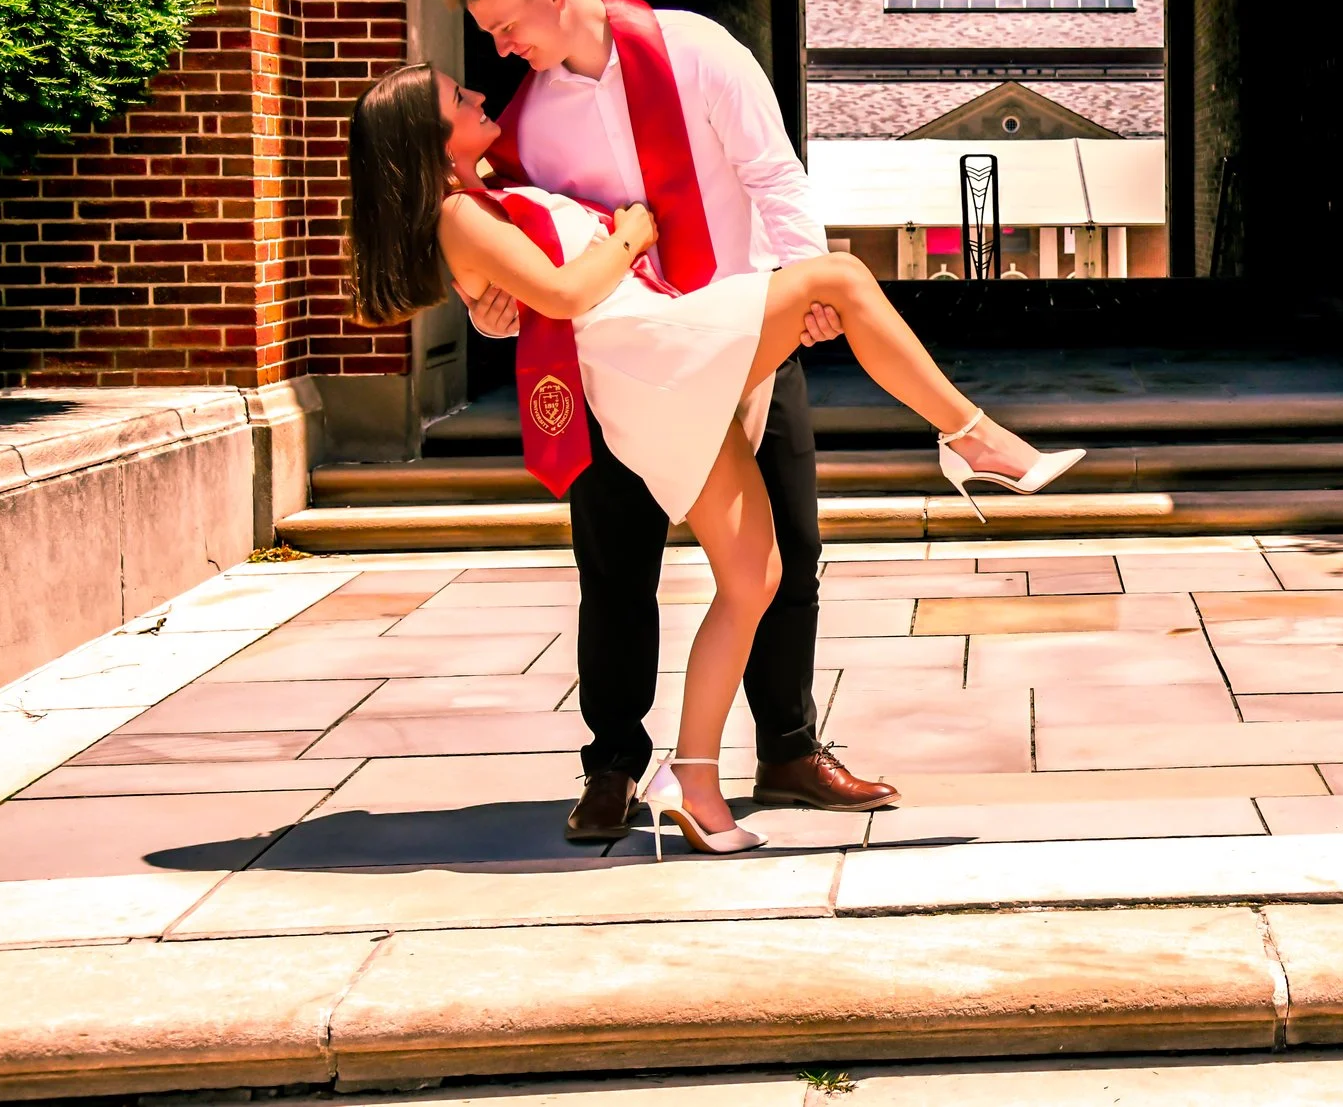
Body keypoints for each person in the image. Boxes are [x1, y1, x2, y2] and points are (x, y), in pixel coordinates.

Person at [347, 61, 1083, 850]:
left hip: (657, 359)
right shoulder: (460, 213)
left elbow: (528, 296)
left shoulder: (489, 189)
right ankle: (970, 433)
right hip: (646, 355)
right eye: (460, 97)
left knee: (754, 576)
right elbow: (563, 295)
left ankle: (694, 781)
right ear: (429, 136)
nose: (482, 94)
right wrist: (628, 235)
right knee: (836, 275)